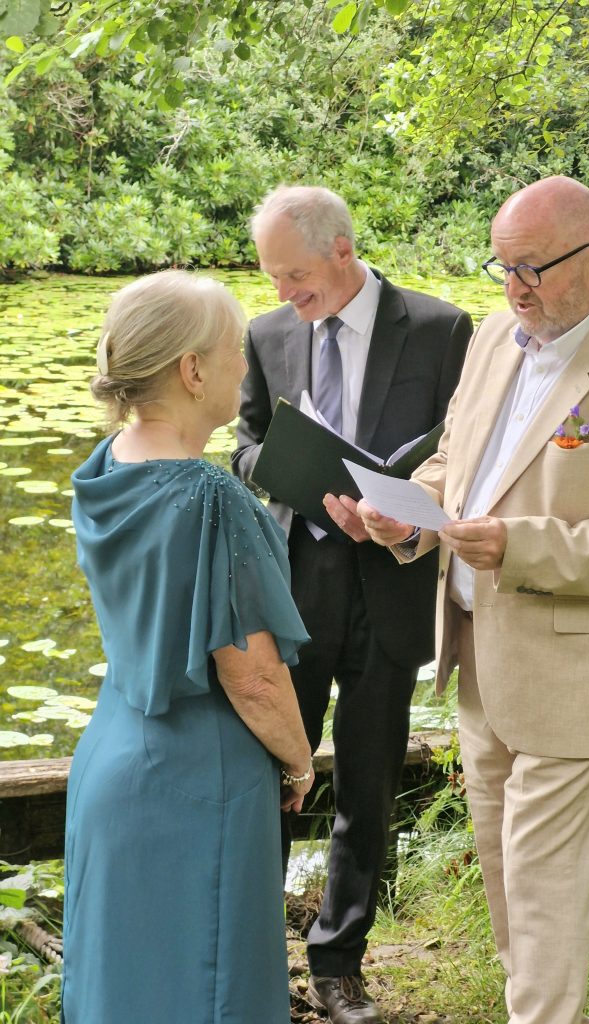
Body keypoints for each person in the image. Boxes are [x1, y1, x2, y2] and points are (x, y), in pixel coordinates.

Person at [354, 176, 589, 1024]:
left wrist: (523, 546)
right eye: (502, 267)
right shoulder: (493, 341)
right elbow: (459, 468)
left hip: (581, 677)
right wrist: (401, 514)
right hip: (482, 664)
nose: (514, 287)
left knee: (545, 891)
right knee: (511, 888)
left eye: (532, 268)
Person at [232, 185, 472, 1023]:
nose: (282, 295)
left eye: (293, 274)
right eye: (271, 278)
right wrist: (284, 473)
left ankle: (339, 964)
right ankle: (254, 958)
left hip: (391, 583)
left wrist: (397, 510)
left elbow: (462, 453)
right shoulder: (265, 336)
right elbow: (247, 442)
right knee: (270, 774)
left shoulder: (442, 331)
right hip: (294, 586)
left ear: (342, 250)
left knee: (368, 785)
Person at [63, 270, 313, 1024]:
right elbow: (252, 676)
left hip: (112, 758)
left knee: (126, 988)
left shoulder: (107, 466)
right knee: (206, 989)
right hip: (193, 780)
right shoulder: (211, 498)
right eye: (233, 347)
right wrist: (300, 758)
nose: (245, 364)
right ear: (193, 369)